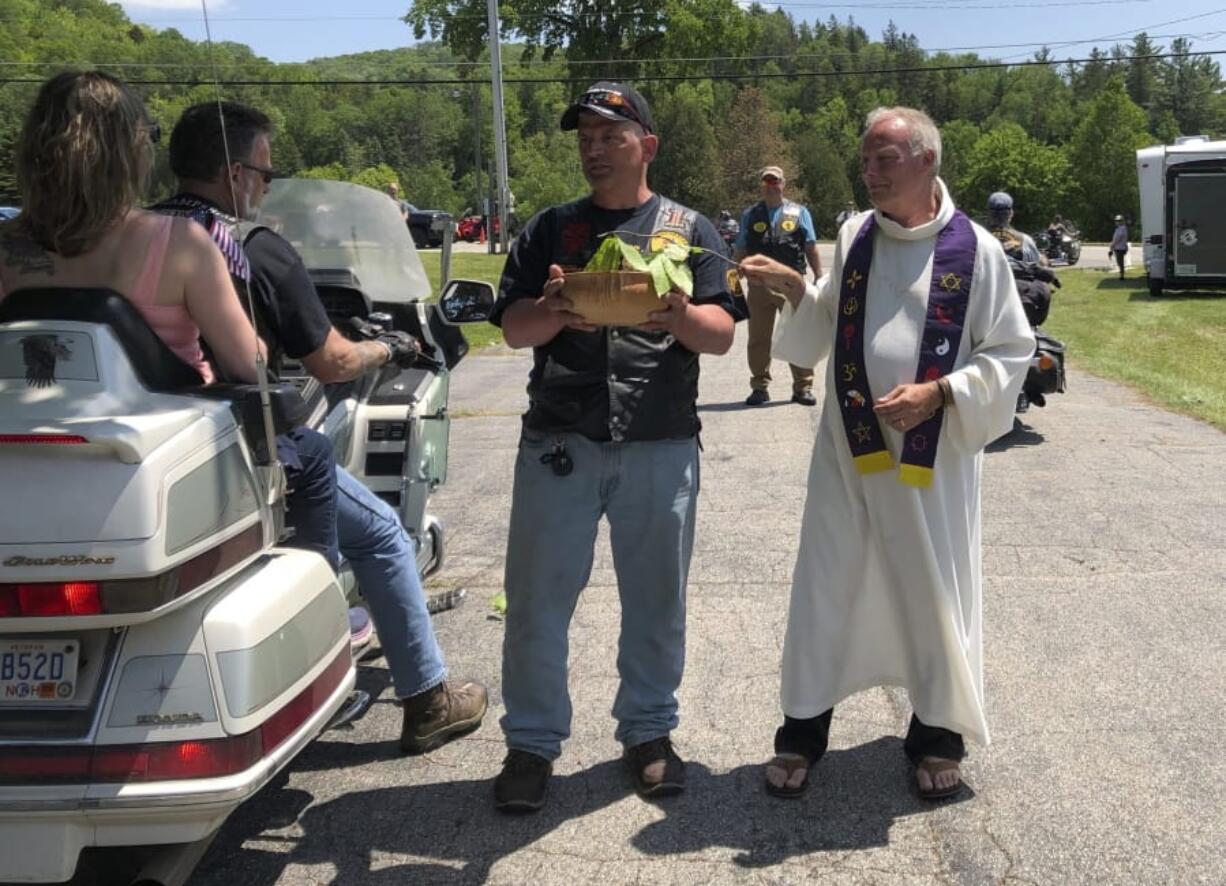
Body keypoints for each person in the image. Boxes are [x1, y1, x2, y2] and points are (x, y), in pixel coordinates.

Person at [154, 100, 488, 756]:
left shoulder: (143, 234)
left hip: (165, 446)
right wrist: (387, 350)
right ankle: (427, 700)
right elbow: (330, 360)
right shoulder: (247, 246)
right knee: (384, 535)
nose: (267, 185)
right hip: (241, 448)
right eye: (265, 173)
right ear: (232, 172)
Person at [741, 106, 1033, 801]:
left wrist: (941, 395)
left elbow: (1011, 352)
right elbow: (828, 324)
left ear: (927, 161)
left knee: (932, 586)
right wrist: (793, 291)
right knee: (827, 581)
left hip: (932, 469)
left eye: (884, 160)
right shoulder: (854, 237)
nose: (869, 172)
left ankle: (936, 734)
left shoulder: (978, 253)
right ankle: (803, 728)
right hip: (850, 455)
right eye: (866, 160)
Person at [488, 80, 744, 813]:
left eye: (610, 137)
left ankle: (649, 734)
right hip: (561, 442)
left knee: (656, 600)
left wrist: (677, 314)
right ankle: (532, 744)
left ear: (647, 146)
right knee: (537, 602)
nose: (594, 151)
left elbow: (722, 335)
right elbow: (513, 329)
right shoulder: (550, 230)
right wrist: (553, 307)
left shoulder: (690, 228)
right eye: (585, 140)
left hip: (660, 440)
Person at [0, 72, 344, 589]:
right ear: (129, 153)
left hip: (25, 451)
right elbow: (246, 365)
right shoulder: (178, 241)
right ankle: (320, 600)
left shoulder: (6, 248)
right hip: (159, 452)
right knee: (312, 455)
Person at [733, 165, 823, 407]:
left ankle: (803, 386)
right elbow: (741, 246)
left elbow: (811, 246)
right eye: (766, 182)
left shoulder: (799, 212)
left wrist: (819, 276)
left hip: (791, 286)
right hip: (758, 286)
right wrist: (732, 275)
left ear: (783, 184)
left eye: (775, 182)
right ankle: (759, 386)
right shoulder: (750, 214)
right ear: (761, 186)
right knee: (758, 338)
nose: (771, 186)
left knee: (798, 334)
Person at [985, 191, 1043, 265]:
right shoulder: (1025, 240)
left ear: (988, 213)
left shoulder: (977, 239)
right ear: (1011, 213)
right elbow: (1036, 266)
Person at [1110, 214, 1129, 279]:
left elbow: (1119, 238)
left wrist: (1112, 245)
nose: (1116, 222)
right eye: (1116, 221)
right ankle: (1121, 274)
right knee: (1119, 262)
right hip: (1118, 247)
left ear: (1121, 221)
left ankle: (1122, 275)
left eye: (1118, 221)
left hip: (1120, 248)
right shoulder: (1119, 228)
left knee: (1120, 262)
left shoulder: (1122, 228)